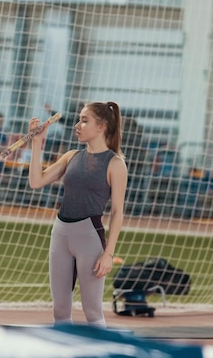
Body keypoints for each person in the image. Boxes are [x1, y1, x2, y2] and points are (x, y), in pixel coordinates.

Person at [28, 101, 128, 327]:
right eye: (79, 119)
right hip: (61, 234)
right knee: (60, 309)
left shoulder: (115, 164)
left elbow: (118, 212)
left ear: (101, 127)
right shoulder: (71, 156)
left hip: (89, 239)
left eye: (85, 120)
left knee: (92, 310)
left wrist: (108, 254)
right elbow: (36, 181)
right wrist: (36, 143)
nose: (77, 125)